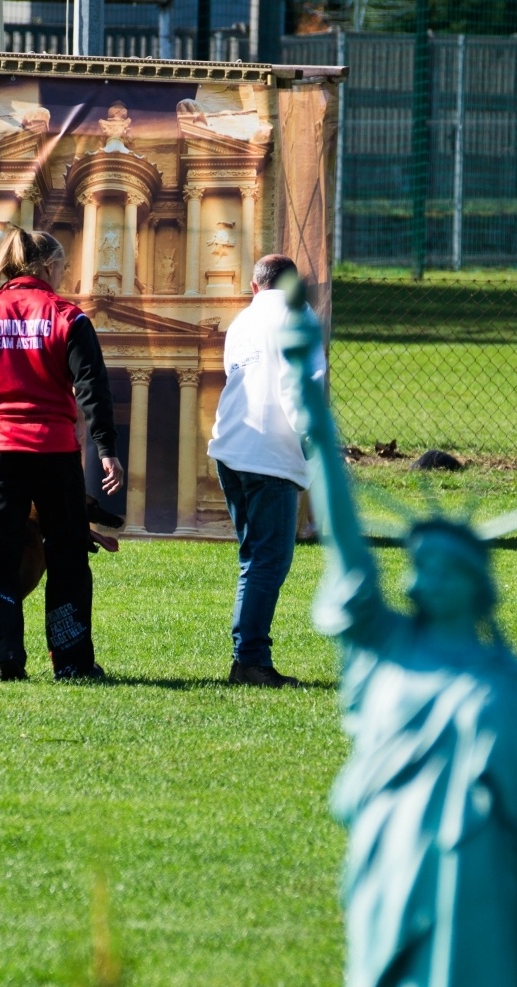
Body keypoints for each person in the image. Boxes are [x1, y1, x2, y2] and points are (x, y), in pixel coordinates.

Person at [281, 281, 517, 987]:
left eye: (435, 562)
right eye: (414, 561)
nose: (417, 572)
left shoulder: (511, 682)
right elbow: (346, 542)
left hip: (491, 898)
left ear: (473, 582)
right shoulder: (382, 646)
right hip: (398, 881)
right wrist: (314, 415)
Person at [0, 226, 124, 681]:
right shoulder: (68, 316)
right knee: (67, 558)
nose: (63, 276)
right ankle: (73, 662)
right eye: (62, 267)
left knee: (0, 557)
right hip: (54, 452)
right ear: (46, 267)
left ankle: (3, 662)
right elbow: (93, 389)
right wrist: (106, 449)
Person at [207, 254, 326, 688]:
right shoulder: (300, 317)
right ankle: (251, 660)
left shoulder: (240, 323)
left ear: (255, 288)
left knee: (254, 557)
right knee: (268, 561)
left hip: (231, 449)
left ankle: (248, 658)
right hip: (270, 452)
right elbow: (300, 382)